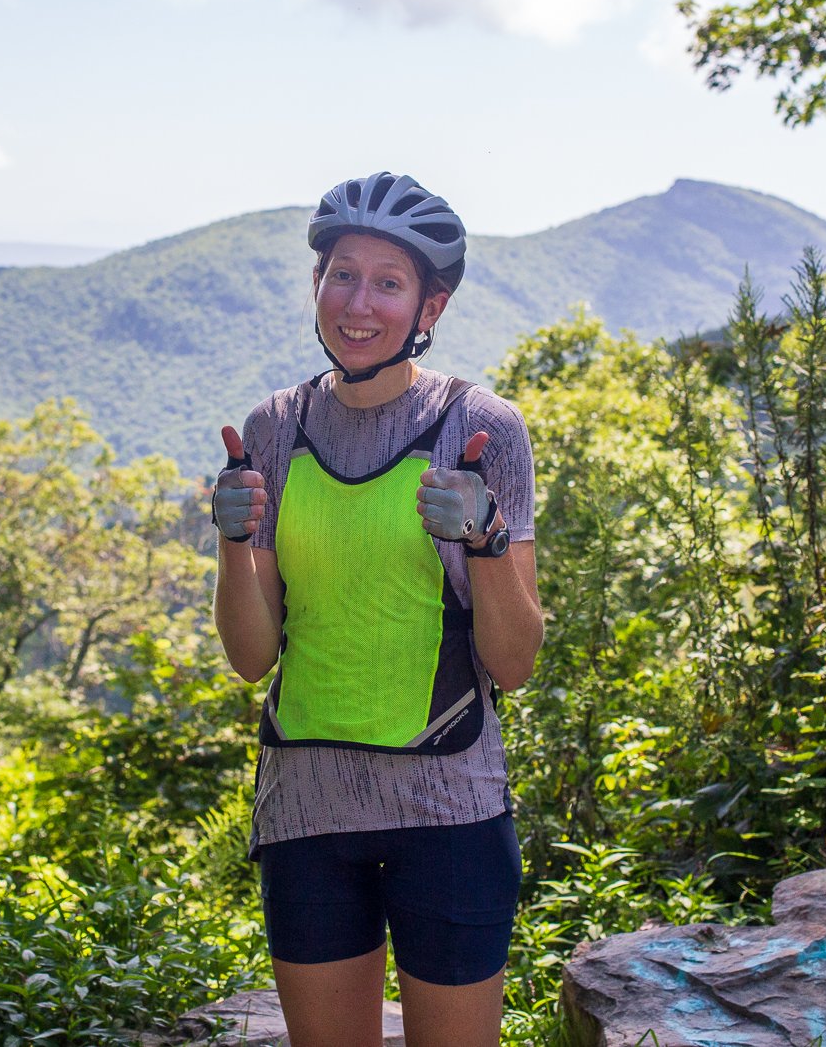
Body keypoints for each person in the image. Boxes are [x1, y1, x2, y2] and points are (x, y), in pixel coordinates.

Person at [210, 172, 544, 1047]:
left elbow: (514, 659)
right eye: (342, 274)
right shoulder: (274, 430)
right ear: (315, 285)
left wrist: (485, 536)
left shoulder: (482, 427)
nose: (360, 303)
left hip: (452, 811)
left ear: (430, 302)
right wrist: (232, 542)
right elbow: (252, 658)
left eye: (389, 282)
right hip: (307, 810)